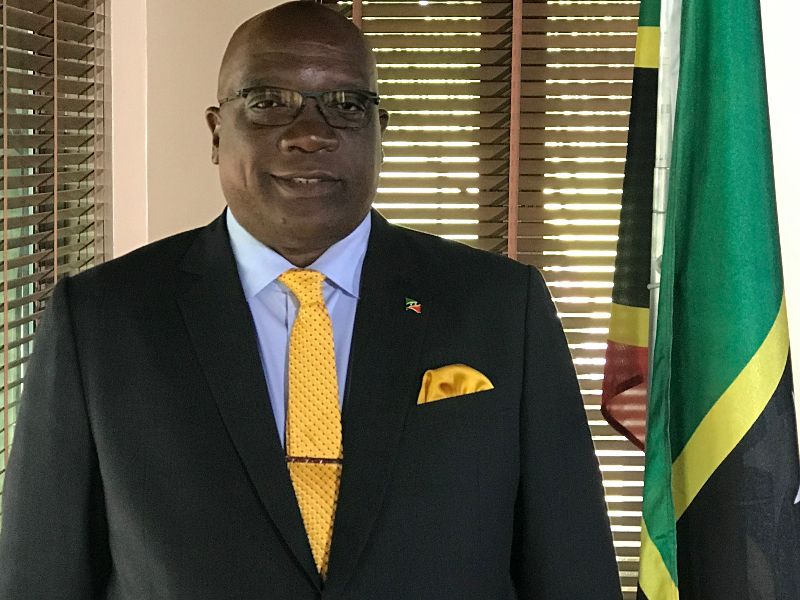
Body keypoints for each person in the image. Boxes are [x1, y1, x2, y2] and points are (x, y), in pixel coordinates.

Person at [0, 2, 622, 598]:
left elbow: (571, 565)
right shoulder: (101, 320)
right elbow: (41, 574)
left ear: (380, 132)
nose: (311, 134)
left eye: (346, 105)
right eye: (269, 103)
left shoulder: (502, 307)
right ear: (216, 132)